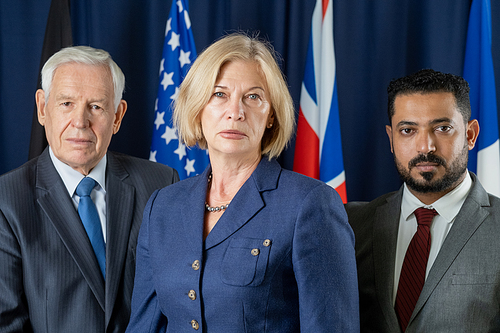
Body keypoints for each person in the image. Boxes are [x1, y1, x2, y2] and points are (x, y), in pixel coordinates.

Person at [125, 33, 359, 333]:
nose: (235, 112)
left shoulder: (310, 204)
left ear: (271, 115)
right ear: (198, 106)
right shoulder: (162, 207)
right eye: (219, 94)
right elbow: (144, 327)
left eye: (253, 97)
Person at [0, 46, 179, 332]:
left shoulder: (161, 184)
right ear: (42, 108)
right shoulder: (6, 201)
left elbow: (176, 302)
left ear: (118, 116)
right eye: (66, 103)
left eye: (96, 106)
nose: (80, 122)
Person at [346, 69, 500, 333]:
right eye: (407, 130)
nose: (425, 146)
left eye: (442, 128)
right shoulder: (351, 225)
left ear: (471, 135)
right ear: (391, 139)